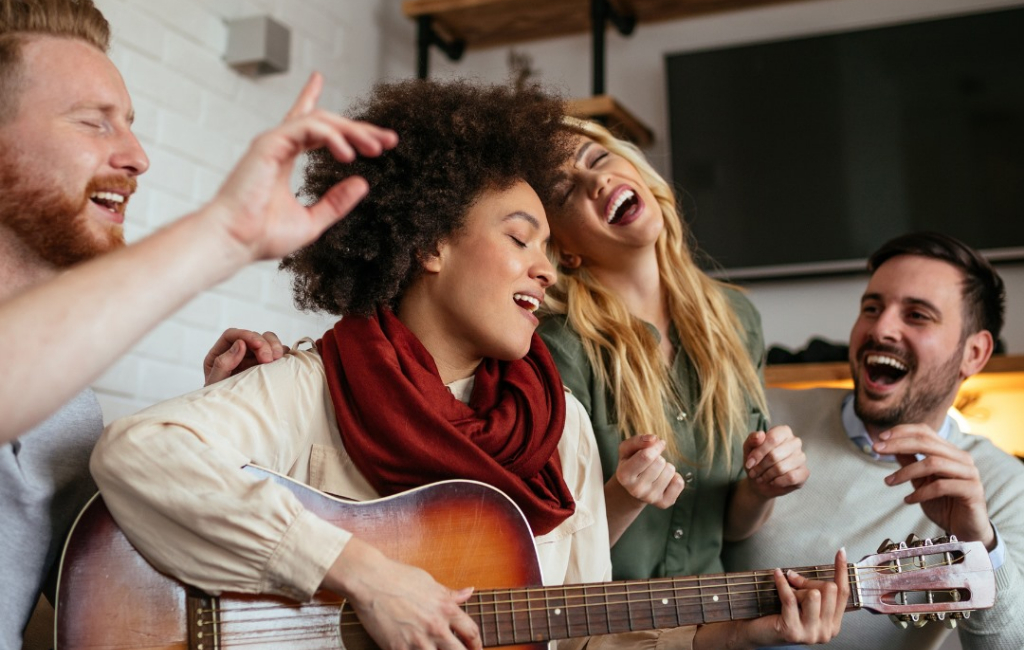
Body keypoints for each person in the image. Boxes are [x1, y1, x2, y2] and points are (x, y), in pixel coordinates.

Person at [91, 79, 849, 650]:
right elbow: (136, 453)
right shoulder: (316, 381)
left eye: (550, 252)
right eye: (522, 239)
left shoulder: (562, 430)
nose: (546, 271)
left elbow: (579, 627)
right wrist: (368, 577)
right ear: (430, 242)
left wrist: (737, 633)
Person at [0, 1, 398, 647]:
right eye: (94, 124)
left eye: (129, 125)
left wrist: (223, 431)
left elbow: (108, 598)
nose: (136, 156)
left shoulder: (71, 410)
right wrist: (225, 234)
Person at [535, 118, 809, 580]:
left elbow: (728, 529)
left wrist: (763, 488)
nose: (598, 179)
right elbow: (550, 556)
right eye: (566, 193)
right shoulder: (556, 348)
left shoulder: (738, 319)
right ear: (564, 251)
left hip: (716, 621)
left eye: (598, 158)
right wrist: (624, 496)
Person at [723, 232, 1024, 649]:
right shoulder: (764, 416)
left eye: (917, 315)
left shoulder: (1004, 485)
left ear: (974, 353)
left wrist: (978, 542)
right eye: (872, 308)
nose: (880, 328)